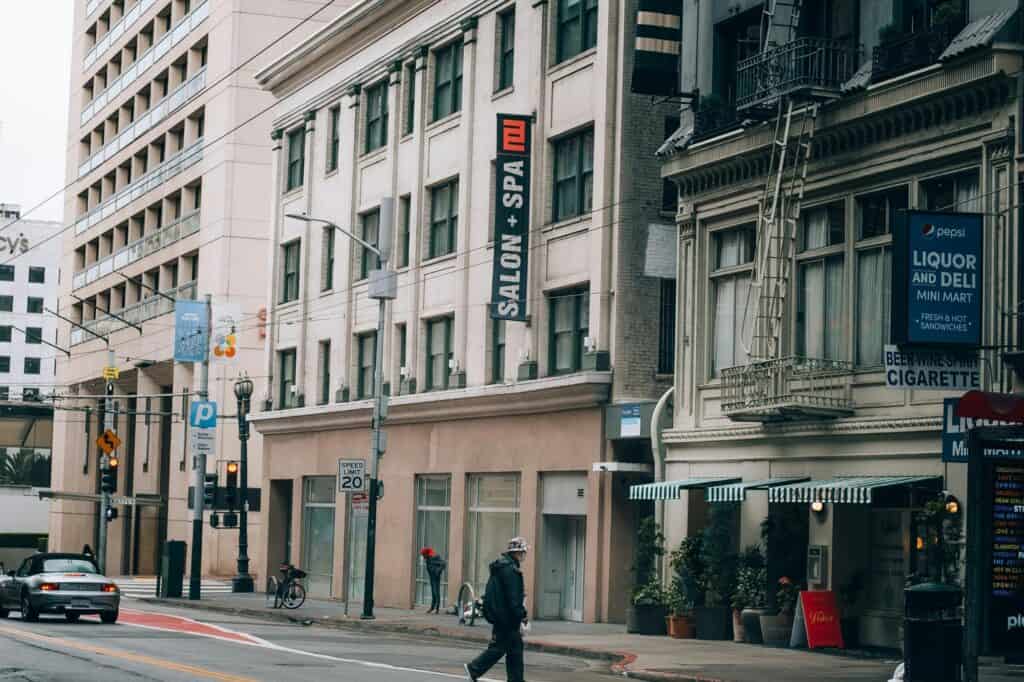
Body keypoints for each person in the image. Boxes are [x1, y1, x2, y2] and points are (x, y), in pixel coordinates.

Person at [464, 537, 529, 682]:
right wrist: (522, 614)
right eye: (523, 552)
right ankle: (474, 668)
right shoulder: (511, 571)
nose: (525, 555)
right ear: (518, 553)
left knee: (514, 649)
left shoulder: (501, 567)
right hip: (507, 618)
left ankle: (516, 679)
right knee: (499, 648)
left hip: (500, 615)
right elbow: (513, 597)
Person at [420, 547, 447, 614]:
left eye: (424, 555)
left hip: (436, 577)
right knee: (433, 593)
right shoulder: (428, 558)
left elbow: (443, 563)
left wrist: (438, 571)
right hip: (432, 577)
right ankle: (432, 608)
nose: (423, 557)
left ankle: (437, 609)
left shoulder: (435, 556)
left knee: (436, 592)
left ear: (426, 554)